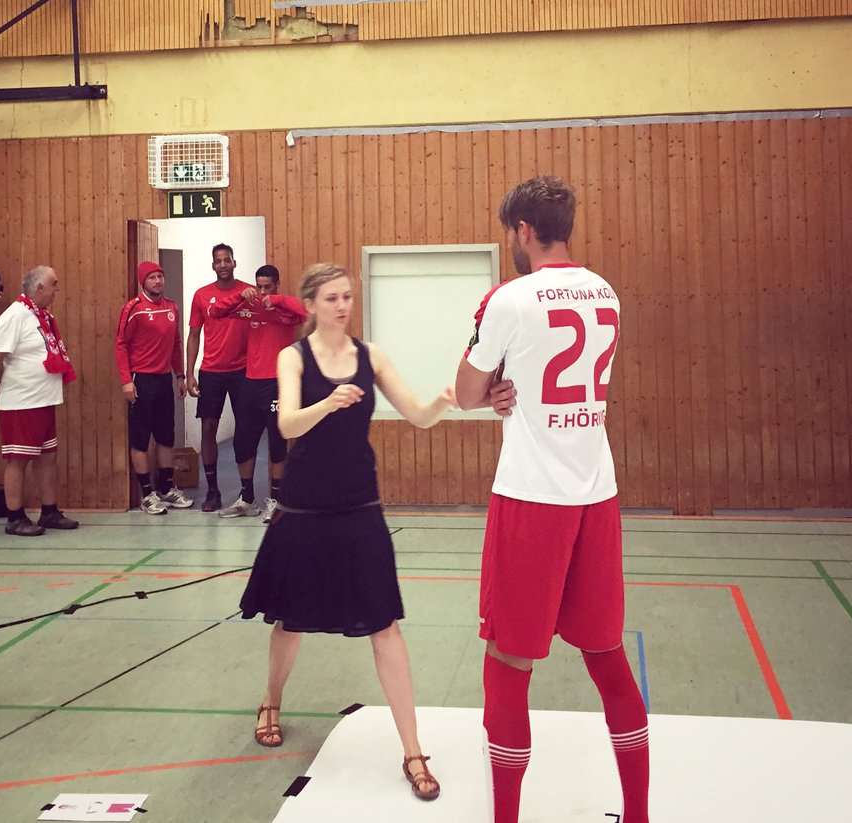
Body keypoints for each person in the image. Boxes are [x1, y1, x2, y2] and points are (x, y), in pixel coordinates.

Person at [455, 176, 648, 823]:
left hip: (532, 496)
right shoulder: (607, 293)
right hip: (596, 491)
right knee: (607, 654)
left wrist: (492, 389)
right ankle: (640, 813)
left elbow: (463, 390)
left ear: (523, 231)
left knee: (509, 658)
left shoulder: (507, 299)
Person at [238, 263, 459, 802]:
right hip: (305, 507)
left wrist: (442, 400)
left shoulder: (372, 356)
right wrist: (328, 402)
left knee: (385, 626)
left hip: (360, 504)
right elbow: (287, 425)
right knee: (290, 621)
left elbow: (418, 416)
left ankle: (412, 751)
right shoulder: (293, 357)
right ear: (311, 304)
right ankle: (271, 698)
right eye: (333, 298)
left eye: (348, 297)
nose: (343, 306)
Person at [0, 265, 80, 536]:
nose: (56, 290)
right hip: (21, 401)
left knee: (48, 456)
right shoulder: (15, 315)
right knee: (18, 459)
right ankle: (14, 517)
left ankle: (49, 511)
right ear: (39, 288)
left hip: (43, 399)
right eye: (54, 284)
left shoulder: (40, 315)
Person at [208, 264, 306, 521]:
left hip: (276, 382)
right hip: (250, 382)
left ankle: (275, 500)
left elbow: (305, 310)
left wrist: (274, 300)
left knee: (276, 442)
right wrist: (241, 296)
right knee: (243, 442)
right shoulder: (248, 307)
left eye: (268, 287)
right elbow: (215, 311)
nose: (262, 291)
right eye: (259, 286)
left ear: (276, 284)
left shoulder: (284, 309)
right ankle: (247, 499)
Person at [114, 261, 194, 515]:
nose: (158, 281)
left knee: (166, 437)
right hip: (141, 379)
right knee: (140, 440)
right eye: (152, 278)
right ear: (143, 282)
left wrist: (179, 375)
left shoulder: (172, 307)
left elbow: (175, 343)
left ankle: (167, 489)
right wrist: (127, 380)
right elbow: (120, 345)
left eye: (160, 276)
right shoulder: (133, 308)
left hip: (163, 380)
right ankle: (147, 494)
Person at [185, 243, 255, 512]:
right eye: (218, 261)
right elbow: (193, 335)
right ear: (213, 265)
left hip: (243, 372)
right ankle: (212, 491)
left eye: (227, 260)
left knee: (245, 430)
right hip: (211, 372)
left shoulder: (248, 291)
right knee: (208, 429)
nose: (223, 264)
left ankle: (246, 491)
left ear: (234, 263)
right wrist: (189, 373)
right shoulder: (202, 295)